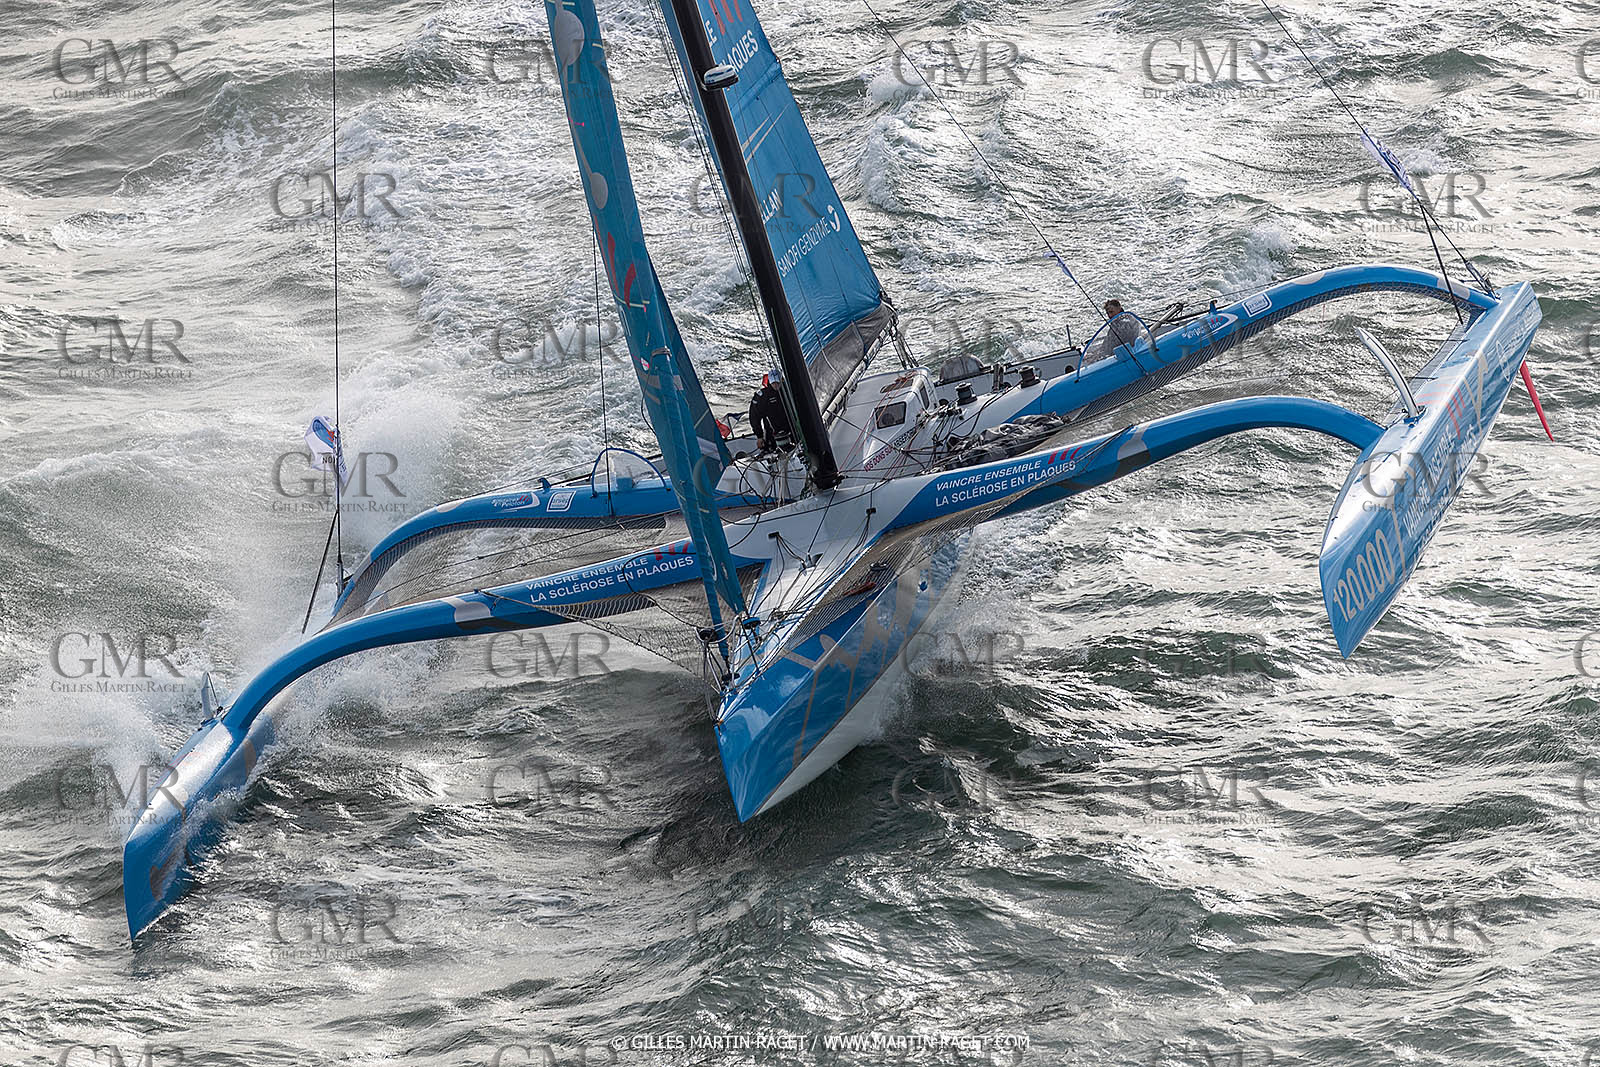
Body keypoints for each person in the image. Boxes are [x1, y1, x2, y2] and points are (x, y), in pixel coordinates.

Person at [748, 371, 793, 451]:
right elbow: (754, 416)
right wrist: (759, 436)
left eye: (778, 383)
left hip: (792, 431)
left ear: (782, 381)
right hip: (772, 435)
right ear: (769, 382)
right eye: (773, 383)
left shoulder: (789, 391)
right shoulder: (762, 396)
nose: (776, 385)